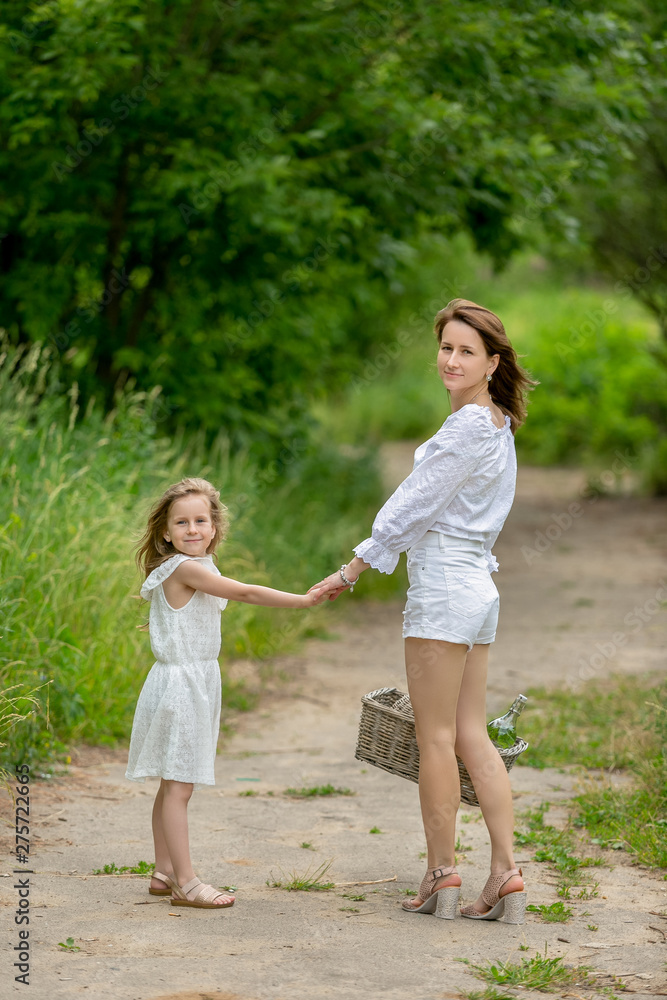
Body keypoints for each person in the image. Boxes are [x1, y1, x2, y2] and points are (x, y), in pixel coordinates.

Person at [312, 299, 536, 923]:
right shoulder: (496, 424)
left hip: (445, 587)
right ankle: (505, 874)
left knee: (436, 737)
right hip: (478, 589)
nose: (452, 360)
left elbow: (413, 506)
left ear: (493, 362)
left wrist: (354, 567)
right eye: (446, 347)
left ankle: (442, 875)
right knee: (469, 734)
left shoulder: (468, 427)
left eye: (467, 351)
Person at [126, 477, 325, 909]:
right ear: (166, 531)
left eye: (201, 520)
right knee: (179, 787)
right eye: (181, 522)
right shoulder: (184, 568)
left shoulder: (198, 566)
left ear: (215, 527)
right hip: (181, 684)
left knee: (172, 783)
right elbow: (246, 591)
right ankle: (187, 882)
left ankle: (164, 871)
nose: (192, 529)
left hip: (191, 681)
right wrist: (303, 601)